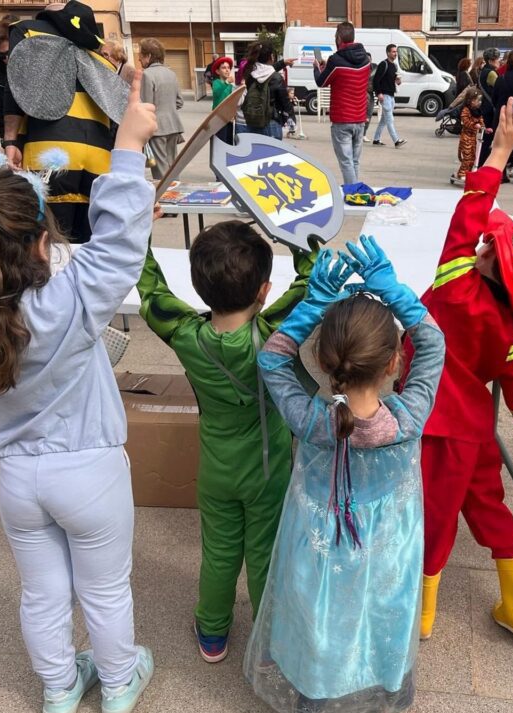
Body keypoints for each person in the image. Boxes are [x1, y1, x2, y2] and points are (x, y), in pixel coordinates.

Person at [0, 71, 159, 713]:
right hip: (92, 471)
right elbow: (122, 239)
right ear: (43, 242)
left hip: (18, 479)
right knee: (105, 589)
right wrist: (128, 146)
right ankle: (119, 683)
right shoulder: (75, 297)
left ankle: (57, 690)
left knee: (41, 594)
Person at [245, 242, 445, 713]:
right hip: (391, 538)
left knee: (318, 611)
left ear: (322, 358)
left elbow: (272, 359)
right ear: (395, 362)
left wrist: (313, 302)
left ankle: (313, 709)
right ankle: (391, 700)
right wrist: (393, 292)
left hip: (319, 533)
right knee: (388, 609)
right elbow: (433, 341)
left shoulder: (312, 419)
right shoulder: (409, 417)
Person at [411, 98, 513, 641]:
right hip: (476, 429)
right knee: (489, 506)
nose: (482, 243)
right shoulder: (506, 323)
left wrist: (498, 153)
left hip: (435, 425)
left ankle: (422, 613)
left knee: (434, 512)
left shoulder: (454, 283)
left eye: (491, 249)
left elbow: (468, 213)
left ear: (493, 264)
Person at [137, 223, 316, 663]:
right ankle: (269, 634)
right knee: (263, 553)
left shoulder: (184, 334)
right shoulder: (275, 333)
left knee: (218, 552)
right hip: (268, 470)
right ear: (264, 291)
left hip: (216, 468)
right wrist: (297, 232)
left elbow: (150, 290)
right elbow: (312, 286)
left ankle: (213, 631)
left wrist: (139, 230)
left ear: (198, 286)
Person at [3, 1, 127, 243]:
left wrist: (11, 141)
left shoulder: (27, 31)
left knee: (48, 243)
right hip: (98, 158)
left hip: (50, 152)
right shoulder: (100, 52)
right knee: (92, 243)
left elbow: (16, 86)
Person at [314, 22, 370, 185]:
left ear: (339, 38)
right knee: (354, 161)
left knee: (346, 162)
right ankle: (354, 190)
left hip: (342, 119)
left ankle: (352, 193)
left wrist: (317, 68)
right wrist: (328, 67)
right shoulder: (366, 59)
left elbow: (321, 82)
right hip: (360, 118)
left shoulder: (336, 60)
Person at [139, 38, 184, 181]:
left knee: (160, 170)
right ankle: (176, 190)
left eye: (141, 56)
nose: (139, 59)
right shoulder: (171, 73)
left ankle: (165, 193)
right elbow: (180, 102)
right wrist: (168, 108)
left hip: (157, 128)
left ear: (148, 56)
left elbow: (146, 106)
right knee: (172, 165)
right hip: (173, 126)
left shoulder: (147, 74)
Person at [239, 42, 292, 141]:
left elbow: (265, 70)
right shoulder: (276, 77)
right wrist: (291, 121)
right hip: (271, 124)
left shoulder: (250, 74)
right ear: (271, 56)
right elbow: (285, 103)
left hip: (252, 122)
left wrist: (282, 63)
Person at [371, 43, 406, 147]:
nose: (396, 53)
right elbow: (376, 80)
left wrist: (398, 81)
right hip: (384, 96)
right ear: (388, 53)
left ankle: (376, 139)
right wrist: (379, 93)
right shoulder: (383, 64)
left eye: (396, 51)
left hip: (391, 95)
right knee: (390, 119)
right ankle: (396, 141)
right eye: (393, 51)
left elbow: (393, 81)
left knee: (384, 121)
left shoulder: (394, 66)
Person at [475, 47, 501, 166]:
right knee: (488, 140)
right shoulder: (491, 73)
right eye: (497, 59)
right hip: (490, 110)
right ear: (491, 60)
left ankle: (480, 163)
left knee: (484, 140)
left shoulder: (483, 71)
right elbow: (499, 88)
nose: (499, 61)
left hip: (484, 108)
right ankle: (482, 164)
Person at [452, 85, 484, 182]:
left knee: (473, 157)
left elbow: (481, 120)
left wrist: (484, 127)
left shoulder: (477, 111)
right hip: (466, 137)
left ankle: (468, 173)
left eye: (480, 100)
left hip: (473, 137)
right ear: (471, 101)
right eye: (478, 100)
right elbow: (465, 121)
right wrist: (474, 125)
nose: (480, 102)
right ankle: (461, 173)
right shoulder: (466, 110)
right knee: (467, 157)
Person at [209, 56, 235, 143]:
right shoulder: (216, 82)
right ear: (217, 71)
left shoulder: (230, 86)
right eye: (223, 68)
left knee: (228, 143)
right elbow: (217, 92)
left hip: (228, 119)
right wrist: (227, 82)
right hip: (218, 119)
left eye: (228, 68)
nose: (227, 70)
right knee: (219, 143)